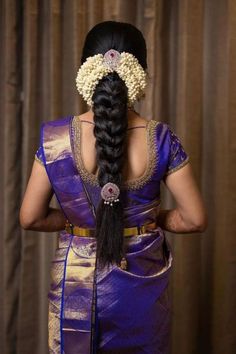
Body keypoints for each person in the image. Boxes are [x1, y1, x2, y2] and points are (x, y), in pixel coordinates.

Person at [19, 20, 207, 354]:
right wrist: (150, 219)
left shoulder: (55, 139)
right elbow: (194, 219)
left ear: (84, 71)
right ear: (141, 75)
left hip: (76, 285)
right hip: (141, 288)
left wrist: (76, 223)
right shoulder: (161, 138)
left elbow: (30, 217)